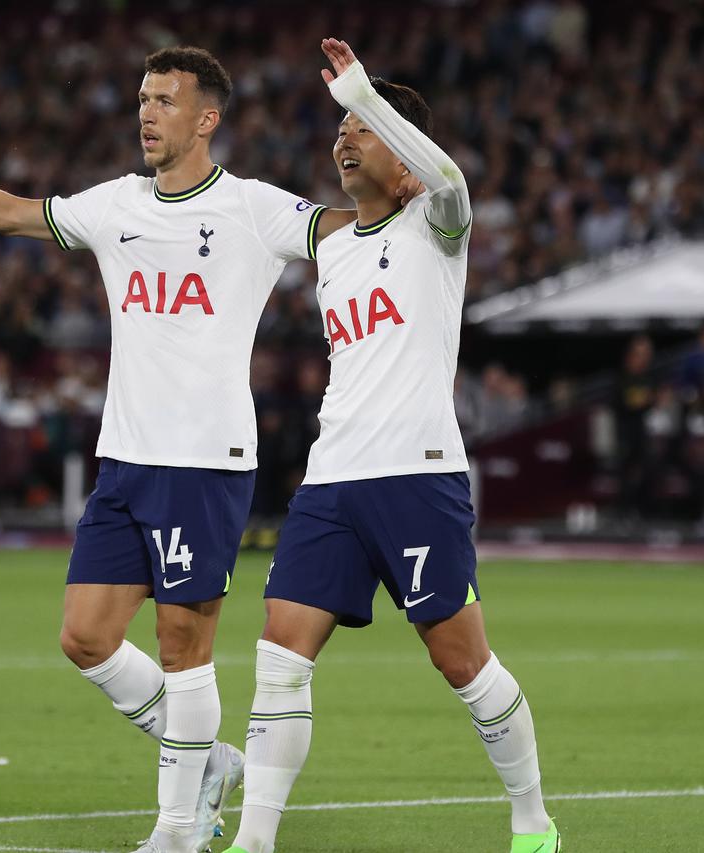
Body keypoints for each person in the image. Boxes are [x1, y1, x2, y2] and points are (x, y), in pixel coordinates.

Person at [0, 46, 411, 853]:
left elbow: (345, 228)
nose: (146, 114)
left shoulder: (251, 209)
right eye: (142, 98)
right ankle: (210, 762)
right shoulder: (115, 206)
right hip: (127, 460)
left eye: (165, 100)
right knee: (84, 636)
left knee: (185, 651)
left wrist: (407, 186)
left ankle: (177, 830)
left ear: (206, 118)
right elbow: (10, 211)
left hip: (205, 462)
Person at [225, 40, 559, 853]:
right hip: (332, 479)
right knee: (279, 653)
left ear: (403, 160)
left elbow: (448, 179)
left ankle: (533, 821)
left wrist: (368, 95)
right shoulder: (331, 247)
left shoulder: (437, 226)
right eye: (341, 128)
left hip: (418, 477)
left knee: (462, 664)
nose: (345, 137)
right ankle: (254, 840)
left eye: (363, 131)